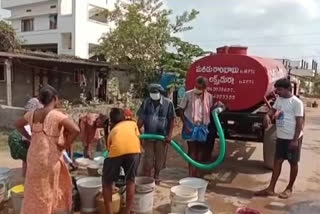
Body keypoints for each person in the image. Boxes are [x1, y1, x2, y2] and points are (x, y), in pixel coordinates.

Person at [15, 85, 80, 214]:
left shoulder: (32, 114)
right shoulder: (57, 115)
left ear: (40, 100)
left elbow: (17, 125)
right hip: (49, 159)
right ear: (55, 98)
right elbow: (76, 130)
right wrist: (64, 145)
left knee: (34, 191)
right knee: (50, 190)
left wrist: (30, 136)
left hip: (33, 159)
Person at [255, 78, 304, 199]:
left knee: (293, 163)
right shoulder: (279, 100)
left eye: (280, 89)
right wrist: (267, 115)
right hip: (281, 137)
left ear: (288, 89)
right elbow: (272, 110)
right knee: (277, 161)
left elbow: (299, 123)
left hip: (292, 138)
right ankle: (271, 188)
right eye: (277, 89)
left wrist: (294, 140)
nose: (277, 92)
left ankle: (289, 188)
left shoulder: (297, 103)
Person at [179, 76, 222, 177]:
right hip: (190, 124)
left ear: (205, 88)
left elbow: (210, 110)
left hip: (202, 126)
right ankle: (191, 173)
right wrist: (185, 124)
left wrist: (218, 106)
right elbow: (181, 109)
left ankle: (197, 172)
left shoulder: (209, 97)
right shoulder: (188, 95)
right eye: (196, 87)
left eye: (200, 88)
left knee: (200, 150)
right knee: (192, 150)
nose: (197, 89)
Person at [102, 108, 141, 214]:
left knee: (107, 183)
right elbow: (138, 137)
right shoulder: (132, 123)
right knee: (130, 181)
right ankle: (127, 211)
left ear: (112, 122)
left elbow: (109, 150)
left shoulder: (113, 131)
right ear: (124, 117)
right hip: (134, 151)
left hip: (116, 151)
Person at [137, 83, 176, 184]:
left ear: (160, 93)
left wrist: (169, 135)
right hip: (148, 135)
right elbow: (141, 119)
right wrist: (137, 131)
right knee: (148, 159)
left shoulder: (168, 103)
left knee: (160, 158)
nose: (154, 94)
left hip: (162, 137)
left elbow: (172, 120)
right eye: (152, 92)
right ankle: (148, 179)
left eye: (155, 92)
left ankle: (157, 175)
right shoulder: (145, 103)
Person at [22, 97, 44, 176]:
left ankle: (26, 177)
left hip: (32, 133)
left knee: (28, 158)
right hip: (31, 132)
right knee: (32, 158)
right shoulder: (34, 101)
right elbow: (26, 115)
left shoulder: (41, 103)